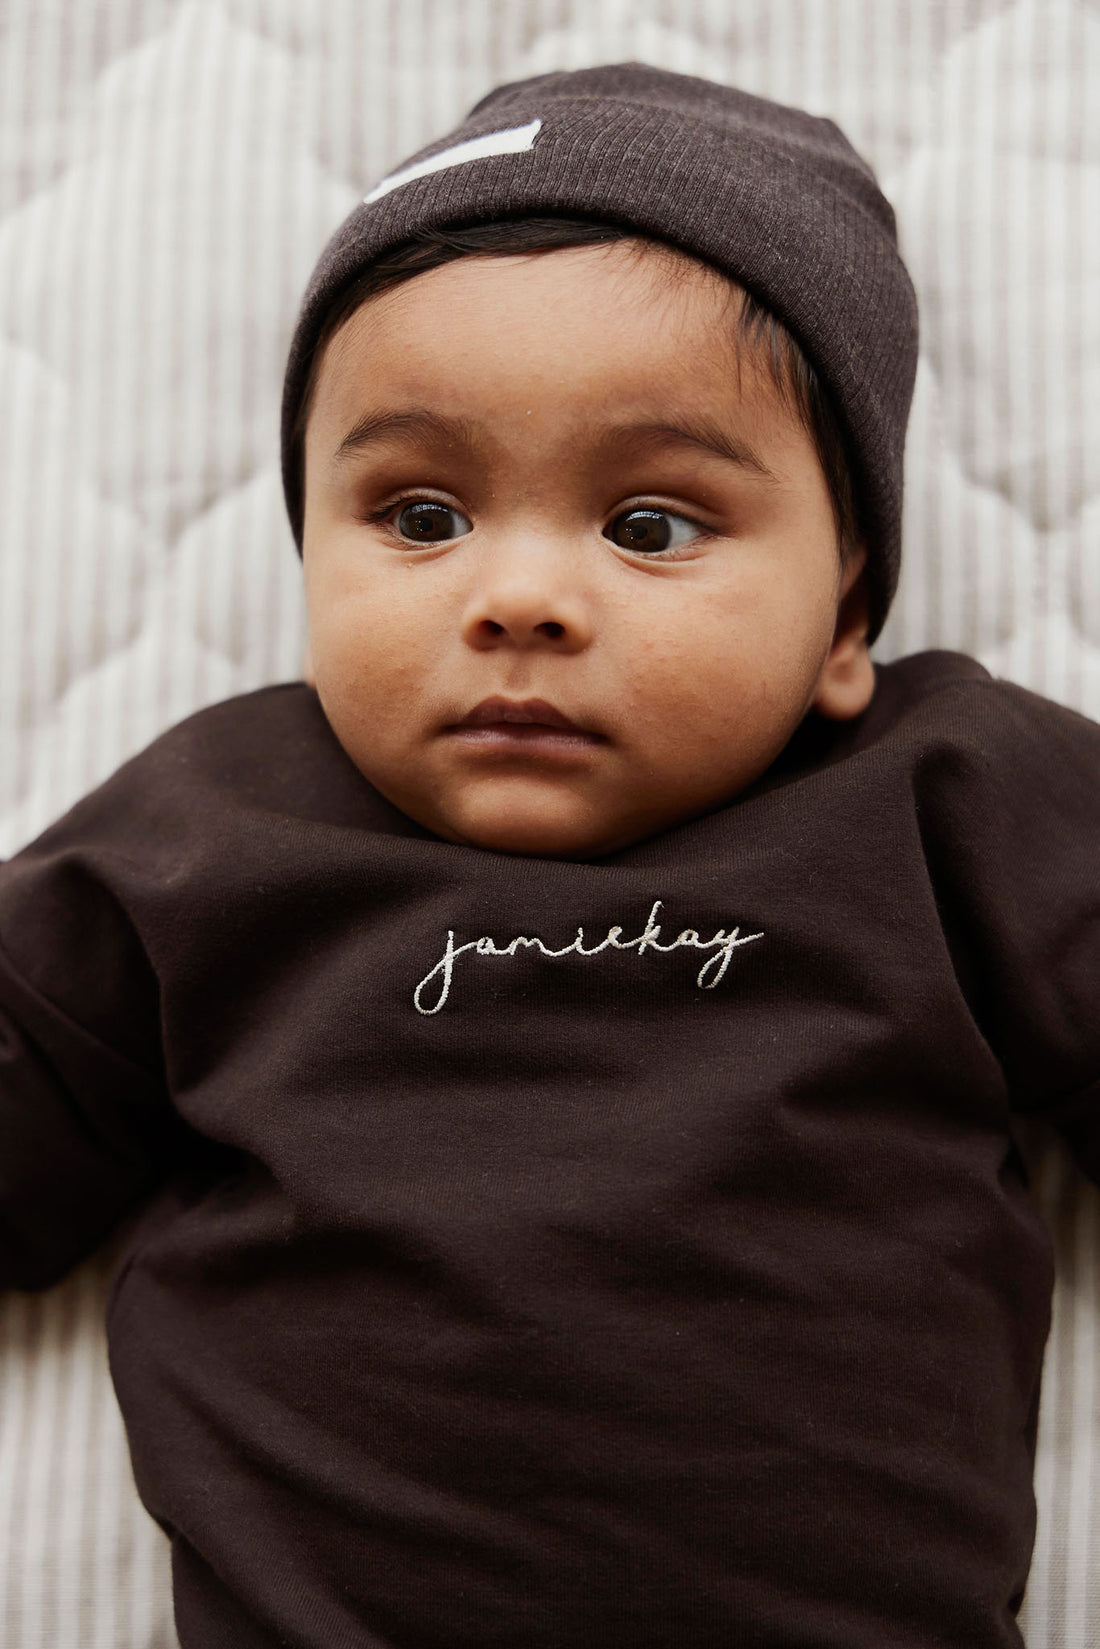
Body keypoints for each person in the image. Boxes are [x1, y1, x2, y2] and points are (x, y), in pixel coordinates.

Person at [0, 61, 1096, 1649]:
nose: (515, 597)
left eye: (649, 525)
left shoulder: (950, 797)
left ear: (847, 614)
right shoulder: (212, 823)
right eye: (420, 514)